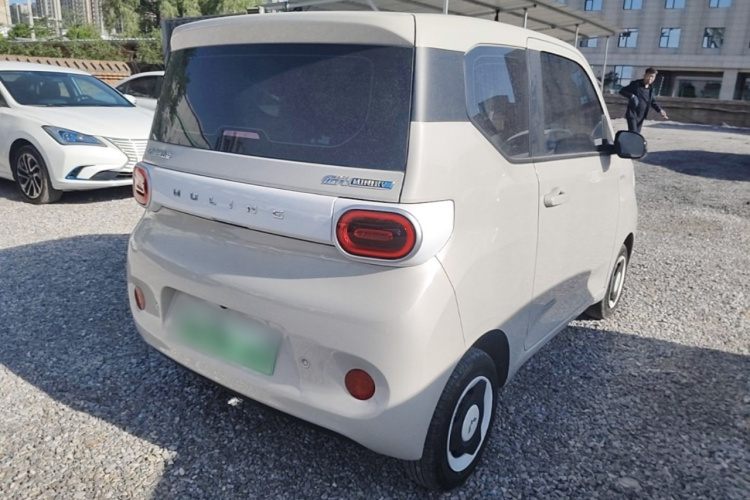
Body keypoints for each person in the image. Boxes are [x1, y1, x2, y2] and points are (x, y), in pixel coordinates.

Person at [619, 67, 669, 133]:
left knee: (637, 134)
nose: (650, 78)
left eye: (652, 77)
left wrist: (660, 110)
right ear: (644, 75)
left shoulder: (651, 89)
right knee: (633, 132)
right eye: (649, 76)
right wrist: (631, 96)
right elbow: (622, 91)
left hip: (642, 116)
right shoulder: (635, 84)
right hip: (632, 114)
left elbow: (653, 102)